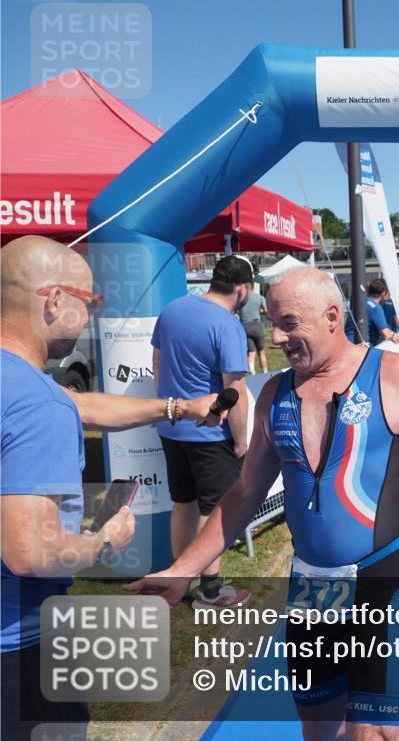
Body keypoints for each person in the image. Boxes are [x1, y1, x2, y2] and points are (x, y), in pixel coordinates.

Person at [127, 267, 399, 741]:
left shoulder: (398, 375)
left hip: (382, 574)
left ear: (331, 317)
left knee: (369, 732)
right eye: (270, 321)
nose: (276, 336)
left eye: (288, 323)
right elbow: (243, 494)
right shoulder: (274, 396)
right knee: (319, 728)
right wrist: (182, 572)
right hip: (312, 584)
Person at [1, 236, 226, 740]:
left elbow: (83, 407)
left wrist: (176, 407)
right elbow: (30, 553)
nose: (88, 316)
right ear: (54, 300)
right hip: (20, 649)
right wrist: (106, 538)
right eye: (89, 302)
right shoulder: (38, 406)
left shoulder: (25, 387)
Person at [152, 254, 253, 609]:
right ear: (243, 289)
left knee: (183, 502)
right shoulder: (227, 325)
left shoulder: (173, 309)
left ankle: (179, 579)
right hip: (210, 434)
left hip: (172, 426)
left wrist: (168, 407)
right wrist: (241, 441)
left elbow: (157, 364)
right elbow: (235, 390)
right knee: (216, 511)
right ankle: (210, 590)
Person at [239, 280, 269, 375]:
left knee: (251, 353)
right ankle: (265, 372)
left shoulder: (241, 298)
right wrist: (260, 312)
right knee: (261, 352)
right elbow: (266, 310)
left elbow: (235, 310)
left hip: (245, 326)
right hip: (257, 326)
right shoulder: (259, 297)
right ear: (253, 287)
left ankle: (252, 371)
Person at [365, 278, 399, 347]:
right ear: (383, 293)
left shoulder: (361, 302)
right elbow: (385, 333)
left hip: (351, 344)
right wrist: (393, 335)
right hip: (364, 348)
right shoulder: (376, 308)